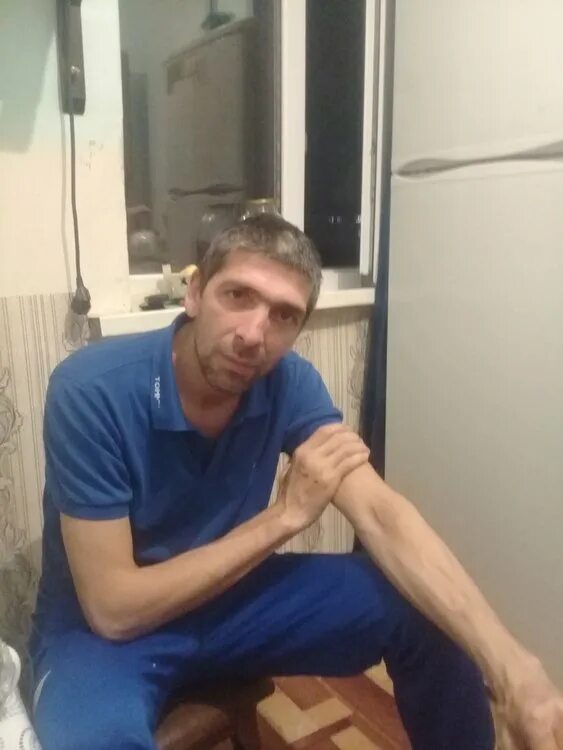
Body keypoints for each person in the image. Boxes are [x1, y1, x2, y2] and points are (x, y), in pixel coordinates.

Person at [30, 214, 563, 750]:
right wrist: (283, 519)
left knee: (423, 607)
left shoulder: (288, 382)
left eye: (283, 315)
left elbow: (381, 514)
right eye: (237, 295)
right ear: (194, 294)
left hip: (228, 601)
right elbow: (113, 610)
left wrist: (515, 671)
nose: (252, 335)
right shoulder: (92, 390)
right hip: (102, 637)